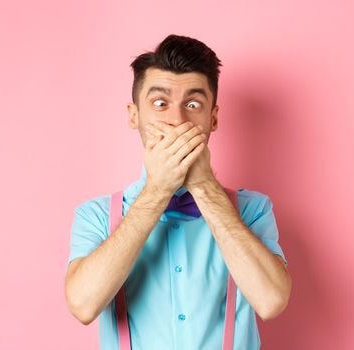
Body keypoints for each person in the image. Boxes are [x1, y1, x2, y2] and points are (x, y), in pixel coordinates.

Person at [64, 34, 292, 349]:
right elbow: (83, 306)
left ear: (212, 118)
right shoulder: (97, 215)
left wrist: (203, 186)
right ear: (134, 116)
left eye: (193, 105)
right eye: (160, 104)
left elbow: (271, 301)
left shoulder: (253, 210)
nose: (177, 121)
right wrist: (156, 193)